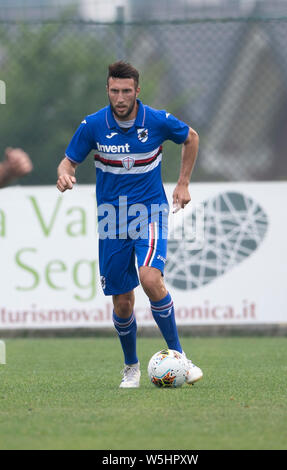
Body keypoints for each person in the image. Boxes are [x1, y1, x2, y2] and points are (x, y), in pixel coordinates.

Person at [57, 61, 203, 388]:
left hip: (150, 212)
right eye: (114, 91)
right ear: (107, 91)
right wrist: (64, 173)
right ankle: (131, 367)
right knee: (123, 302)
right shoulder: (94, 125)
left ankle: (179, 356)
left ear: (137, 91)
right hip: (112, 220)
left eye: (126, 91)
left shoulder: (157, 120)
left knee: (150, 278)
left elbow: (191, 137)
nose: (120, 97)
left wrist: (183, 183)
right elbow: (68, 160)